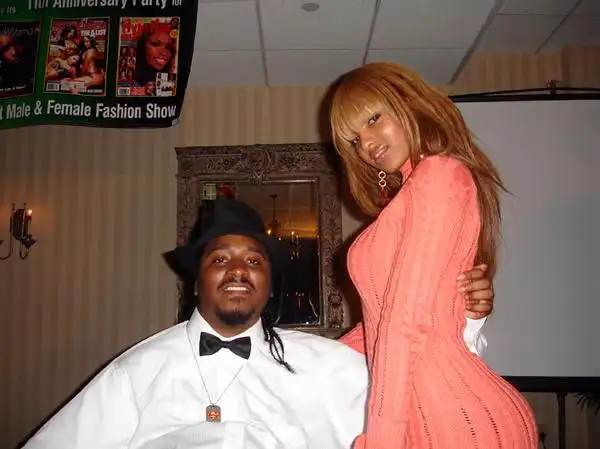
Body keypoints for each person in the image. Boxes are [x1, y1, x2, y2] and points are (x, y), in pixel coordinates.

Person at [22, 199, 494, 448]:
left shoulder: (325, 366)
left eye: (253, 261)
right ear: (195, 284)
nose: (237, 270)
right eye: (220, 259)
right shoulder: (136, 371)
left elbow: (419, 397)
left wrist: (464, 318)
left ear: (269, 288)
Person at [329, 62, 537, 448]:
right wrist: (293, 361)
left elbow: (404, 322)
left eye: (374, 119)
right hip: (422, 421)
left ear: (407, 104)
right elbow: (379, 327)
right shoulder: (407, 198)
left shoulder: (440, 175)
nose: (367, 143)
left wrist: (381, 440)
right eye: (355, 139)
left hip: (462, 422)